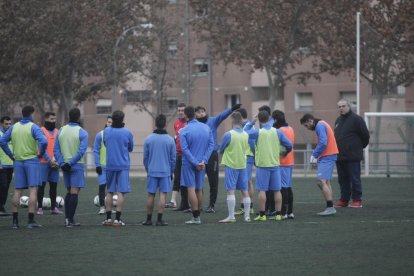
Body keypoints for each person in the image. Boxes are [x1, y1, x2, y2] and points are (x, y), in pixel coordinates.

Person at [0, 106, 47, 228]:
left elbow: (2, 141)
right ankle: (31, 221)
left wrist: (11, 155)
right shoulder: (34, 127)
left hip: (18, 161)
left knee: (17, 190)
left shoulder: (14, 127)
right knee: (33, 190)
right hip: (31, 161)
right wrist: (41, 154)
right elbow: (44, 141)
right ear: (31, 114)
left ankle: (15, 222)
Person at [245, 111, 292, 222]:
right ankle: (279, 214)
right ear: (269, 118)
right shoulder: (277, 132)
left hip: (262, 165)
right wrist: (283, 152)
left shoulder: (258, 132)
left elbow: (245, 132)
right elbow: (289, 144)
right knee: (277, 190)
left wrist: (253, 121)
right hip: (275, 164)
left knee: (262, 190)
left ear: (260, 120)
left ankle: (262, 215)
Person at [195, 103, 241, 213]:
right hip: (199, 155)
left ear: (205, 112)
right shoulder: (194, 124)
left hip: (212, 155)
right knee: (198, 181)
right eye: (198, 112)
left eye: (203, 111)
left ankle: (211, 205)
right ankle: (198, 205)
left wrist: (232, 109)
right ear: (195, 115)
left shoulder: (212, 121)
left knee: (213, 181)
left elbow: (222, 115)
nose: (201, 113)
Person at [54, 107, 88, 227]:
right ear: (79, 117)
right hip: (76, 165)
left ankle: (68, 219)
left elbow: (56, 149)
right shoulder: (82, 131)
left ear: (69, 116)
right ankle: (70, 219)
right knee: (74, 192)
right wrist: (71, 162)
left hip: (64, 166)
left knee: (69, 191)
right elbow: (81, 151)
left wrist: (62, 163)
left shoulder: (61, 130)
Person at [180, 106, 214, 224]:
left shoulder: (184, 130)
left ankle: (195, 217)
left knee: (191, 188)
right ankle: (198, 214)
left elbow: (184, 149)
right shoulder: (206, 127)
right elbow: (211, 145)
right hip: (202, 163)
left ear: (186, 115)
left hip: (189, 163)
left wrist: (195, 162)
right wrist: (203, 160)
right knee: (199, 188)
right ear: (194, 114)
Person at [300, 113, 338, 216]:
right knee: (325, 182)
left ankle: (330, 207)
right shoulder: (321, 124)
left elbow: (323, 143)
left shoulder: (320, 125)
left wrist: (314, 155)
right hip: (328, 155)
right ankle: (331, 206)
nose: (307, 128)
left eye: (306, 125)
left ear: (310, 121)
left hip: (327, 155)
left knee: (321, 181)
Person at [334, 99, 370, 208]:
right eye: (339, 106)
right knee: (342, 179)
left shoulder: (357, 119)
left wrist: (357, 148)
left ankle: (357, 200)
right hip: (340, 156)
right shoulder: (338, 120)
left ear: (349, 106)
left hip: (353, 156)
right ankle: (344, 200)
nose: (341, 108)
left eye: (343, 106)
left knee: (354, 178)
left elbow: (365, 136)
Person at [142, 114, 176, 226]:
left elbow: (145, 158)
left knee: (151, 195)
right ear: (165, 124)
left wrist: (148, 169)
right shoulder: (170, 140)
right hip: (165, 172)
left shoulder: (148, 139)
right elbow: (173, 159)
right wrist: (171, 171)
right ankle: (159, 220)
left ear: (156, 124)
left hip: (152, 171)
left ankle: (148, 219)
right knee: (163, 195)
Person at [101, 110, 133, 227]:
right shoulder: (127, 132)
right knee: (120, 192)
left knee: (109, 191)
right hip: (123, 165)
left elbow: (105, 143)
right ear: (122, 119)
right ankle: (117, 220)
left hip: (110, 165)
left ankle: (108, 219)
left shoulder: (107, 131)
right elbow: (130, 147)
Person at [219, 111, 251, 223]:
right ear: (241, 121)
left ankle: (231, 216)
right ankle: (247, 216)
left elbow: (221, 148)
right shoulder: (246, 134)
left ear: (232, 120)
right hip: (242, 164)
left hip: (231, 164)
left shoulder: (228, 134)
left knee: (230, 190)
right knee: (244, 190)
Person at [37, 112, 63, 215]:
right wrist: (49, 160)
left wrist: (58, 161)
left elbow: (60, 148)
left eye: (54, 119)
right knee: (41, 186)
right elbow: (40, 147)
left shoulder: (58, 131)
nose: (54, 121)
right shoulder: (40, 131)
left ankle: (53, 207)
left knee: (54, 186)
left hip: (55, 163)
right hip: (43, 162)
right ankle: (39, 208)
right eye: (52, 119)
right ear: (46, 119)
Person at [165, 103, 190, 212]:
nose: (180, 112)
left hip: (187, 155)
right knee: (177, 177)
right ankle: (173, 201)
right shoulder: (176, 123)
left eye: (183, 110)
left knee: (187, 179)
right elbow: (177, 138)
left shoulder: (189, 123)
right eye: (179, 110)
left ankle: (189, 203)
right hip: (178, 154)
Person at [272, 110, 295, 219]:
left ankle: (283, 212)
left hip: (282, 162)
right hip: (290, 161)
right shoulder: (290, 128)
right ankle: (290, 211)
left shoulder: (279, 130)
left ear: (275, 119)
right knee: (288, 187)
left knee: (283, 188)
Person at [234, 108, 255, 217]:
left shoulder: (247, 126)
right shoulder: (248, 125)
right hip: (247, 156)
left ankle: (248, 207)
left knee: (246, 182)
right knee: (247, 181)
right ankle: (246, 206)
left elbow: (251, 142)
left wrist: (254, 154)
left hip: (247, 156)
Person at [93, 115, 113, 215]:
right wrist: (97, 165)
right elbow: (96, 150)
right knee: (102, 186)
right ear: (106, 122)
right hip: (102, 167)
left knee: (111, 188)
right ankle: (102, 207)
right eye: (109, 122)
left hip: (113, 167)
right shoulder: (99, 135)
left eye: (112, 123)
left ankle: (109, 207)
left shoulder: (116, 135)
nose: (110, 124)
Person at [0, 116, 14, 216]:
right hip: (1, 166)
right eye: (6, 124)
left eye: (10, 124)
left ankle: (2, 207)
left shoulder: (12, 135)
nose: (9, 126)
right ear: (1, 124)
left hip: (10, 166)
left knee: (6, 187)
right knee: (3, 187)